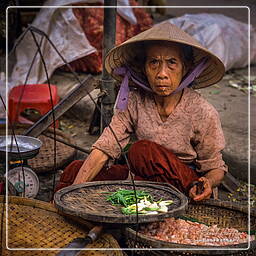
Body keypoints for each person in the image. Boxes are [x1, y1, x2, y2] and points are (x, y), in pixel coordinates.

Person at [55, 22, 227, 201]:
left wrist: (207, 182)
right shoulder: (134, 101)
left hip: (186, 186)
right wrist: (73, 190)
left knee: (141, 151)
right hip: (145, 179)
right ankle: (59, 210)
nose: (161, 73)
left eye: (171, 63)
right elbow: (106, 146)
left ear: (186, 68)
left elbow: (215, 167)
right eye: (154, 62)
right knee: (74, 170)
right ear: (143, 67)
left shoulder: (202, 111)